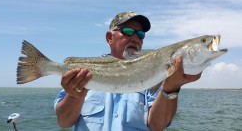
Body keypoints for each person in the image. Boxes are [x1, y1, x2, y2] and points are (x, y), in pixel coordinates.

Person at [54, 11, 201, 131]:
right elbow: (64, 122)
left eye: (141, 35)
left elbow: (157, 126)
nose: (136, 38)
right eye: (128, 31)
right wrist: (74, 97)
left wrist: (171, 88)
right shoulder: (84, 73)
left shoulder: (156, 75)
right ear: (109, 38)